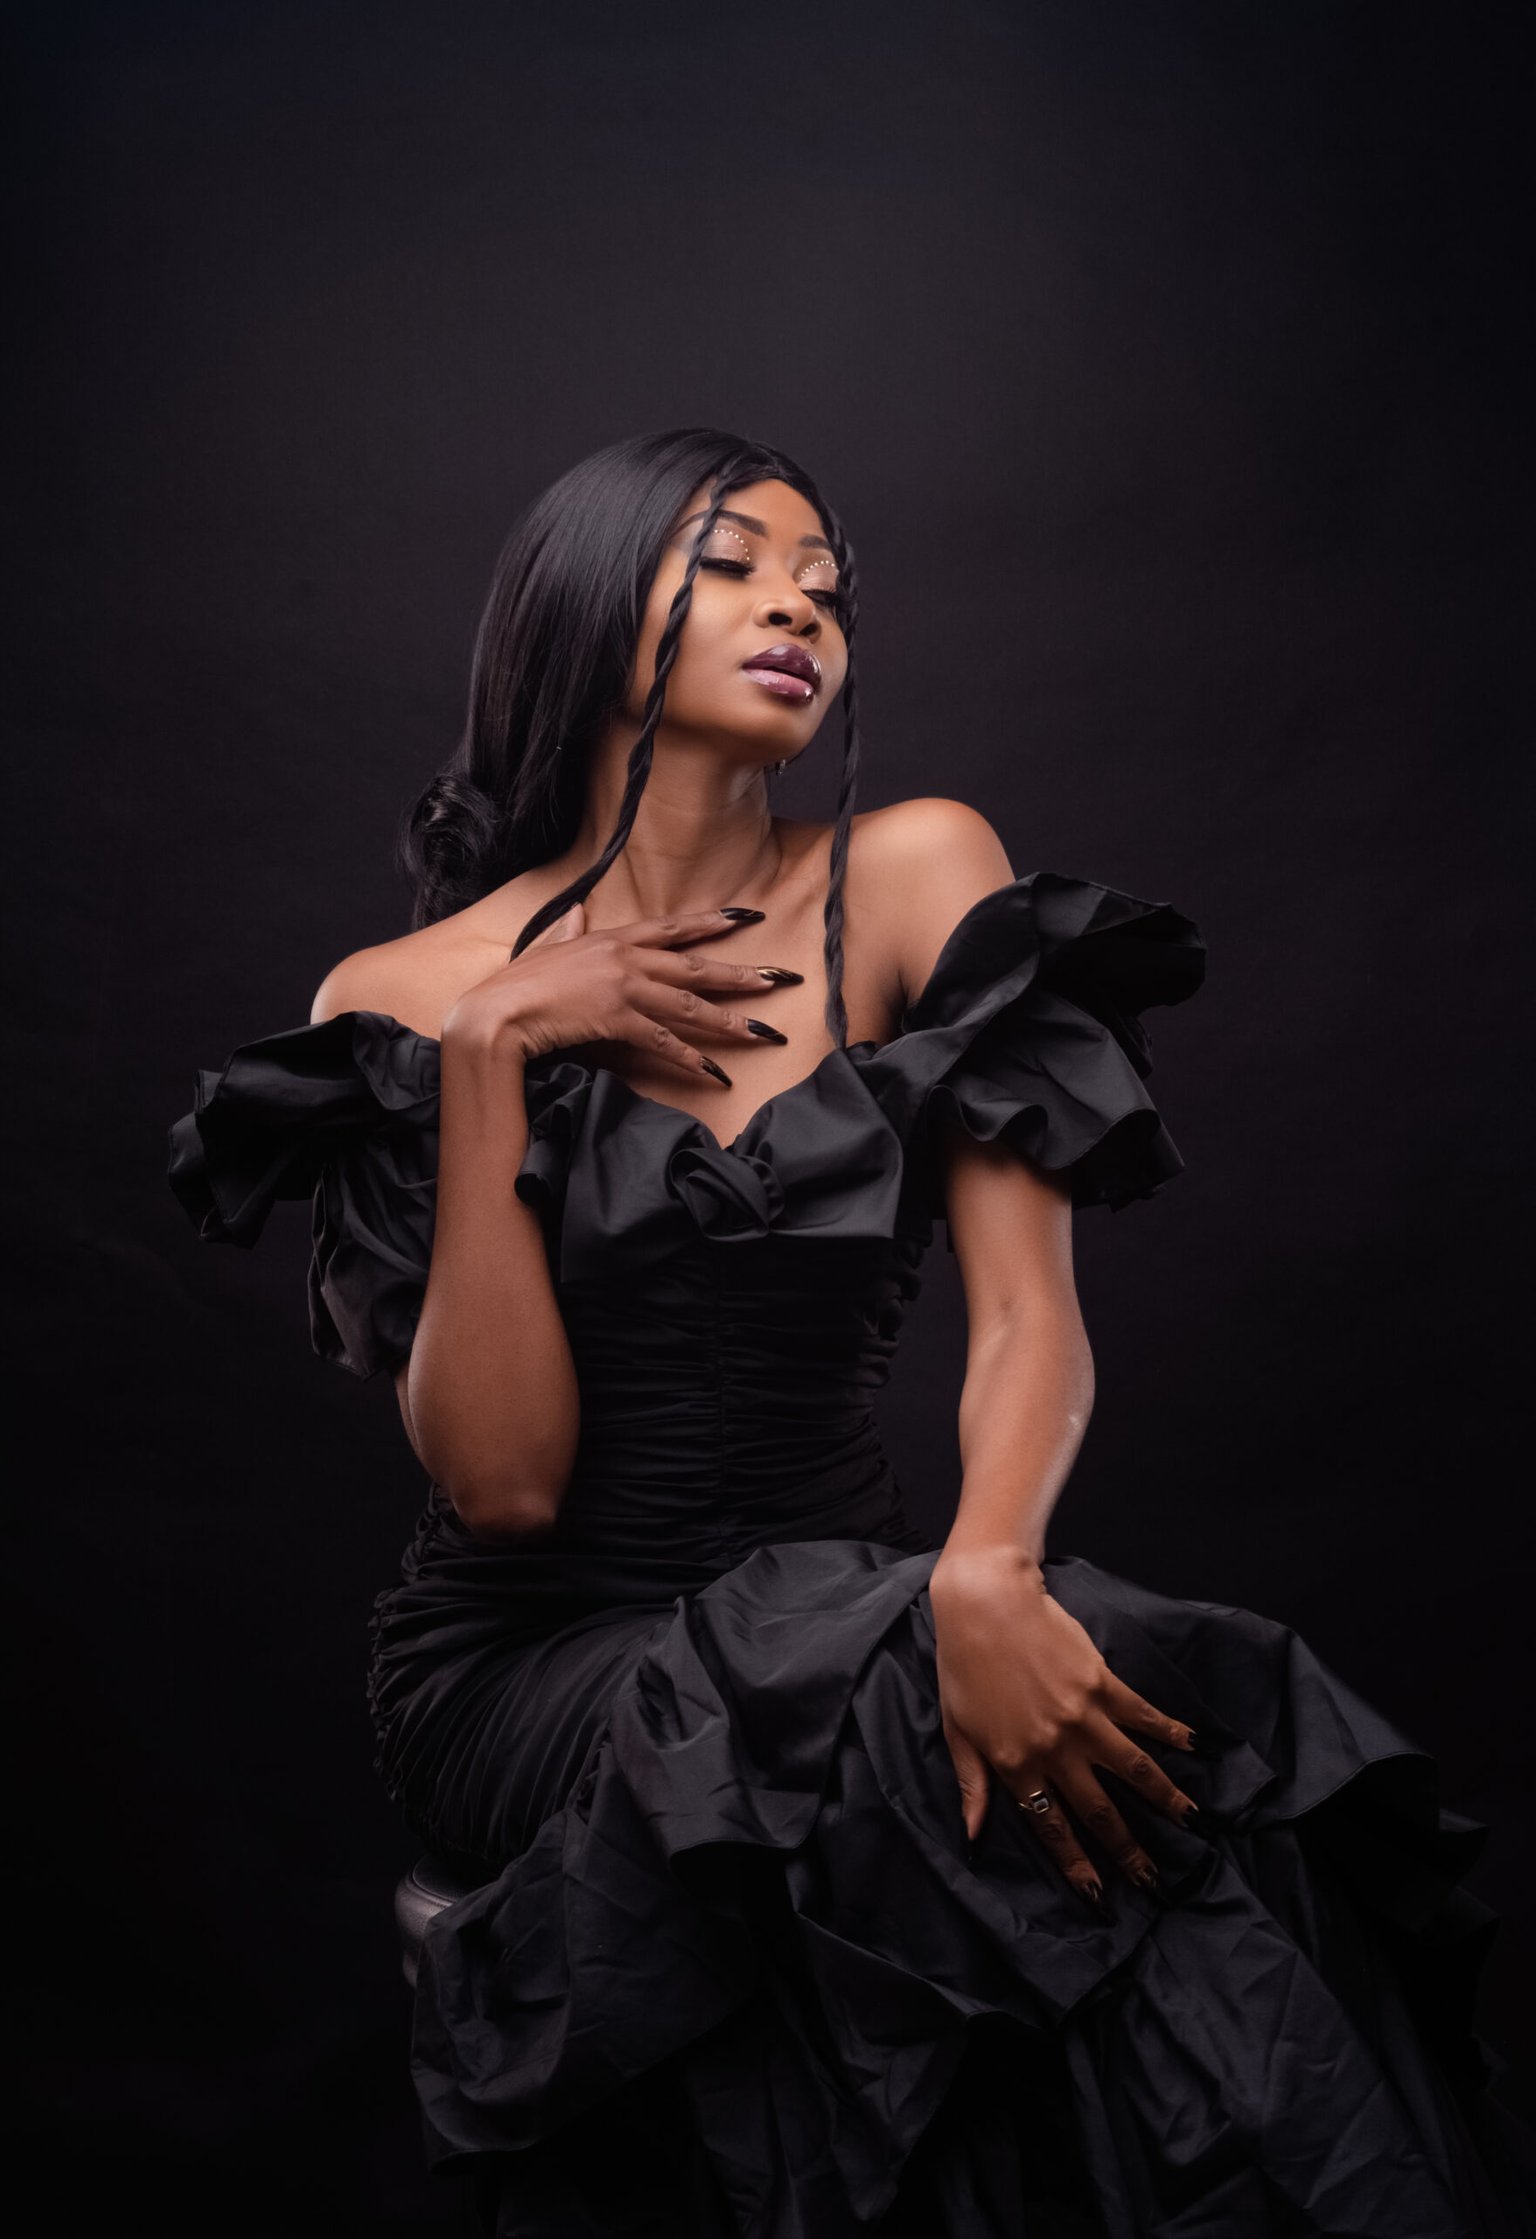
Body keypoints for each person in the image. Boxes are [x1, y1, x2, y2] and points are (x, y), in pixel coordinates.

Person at [167, 430, 1533, 2236]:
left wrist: (989, 1568)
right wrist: (495, 1054)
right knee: (950, 1754)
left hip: (859, 1604)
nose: (801, 605)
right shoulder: (406, 997)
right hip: (538, 1664)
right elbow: (502, 1488)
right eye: (735, 562)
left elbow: (1029, 1316)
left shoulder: (912, 872)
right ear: (588, 604)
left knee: (1137, 1726)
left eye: (825, 582)